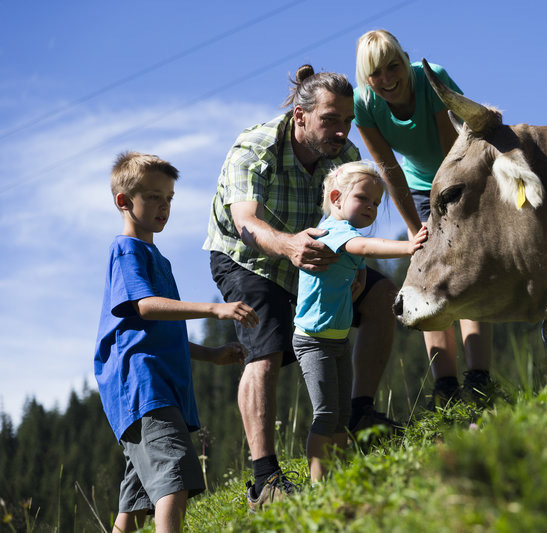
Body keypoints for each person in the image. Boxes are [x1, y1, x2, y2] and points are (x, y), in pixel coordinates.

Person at [203, 65, 401, 510]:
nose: (341, 130)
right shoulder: (254, 147)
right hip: (249, 256)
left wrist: (359, 273)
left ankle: (359, 416)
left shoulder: (344, 154)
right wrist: (289, 246)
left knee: (383, 297)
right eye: (331, 119)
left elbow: (354, 222)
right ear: (300, 116)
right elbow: (246, 223)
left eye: (347, 120)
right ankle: (264, 478)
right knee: (265, 347)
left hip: (315, 257)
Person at [94, 152, 259, 533]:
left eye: (169, 197)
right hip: (144, 388)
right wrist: (213, 310)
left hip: (159, 387)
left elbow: (157, 331)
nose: (163, 206)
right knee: (175, 480)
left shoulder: (156, 257)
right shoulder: (127, 251)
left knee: (135, 505)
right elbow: (145, 307)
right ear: (123, 201)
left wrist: (211, 355)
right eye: (152, 196)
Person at [354, 30, 496, 408]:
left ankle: (479, 382)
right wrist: (418, 231)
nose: (386, 79)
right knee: (427, 274)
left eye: (393, 66)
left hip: (463, 173)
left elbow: (455, 154)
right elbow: (390, 170)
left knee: (467, 270)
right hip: (419, 187)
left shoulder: (430, 78)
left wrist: (455, 212)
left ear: (405, 60)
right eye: (375, 74)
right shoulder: (364, 103)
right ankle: (446, 389)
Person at [293, 161, 427, 483]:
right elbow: (363, 246)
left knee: (340, 418)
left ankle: (339, 479)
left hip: (337, 340)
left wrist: (361, 272)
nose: (371, 207)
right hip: (314, 342)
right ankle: (317, 485)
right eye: (363, 199)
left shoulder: (343, 233)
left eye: (376, 203)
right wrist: (409, 246)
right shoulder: (334, 231)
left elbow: (357, 256)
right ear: (337, 197)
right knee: (326, 416)